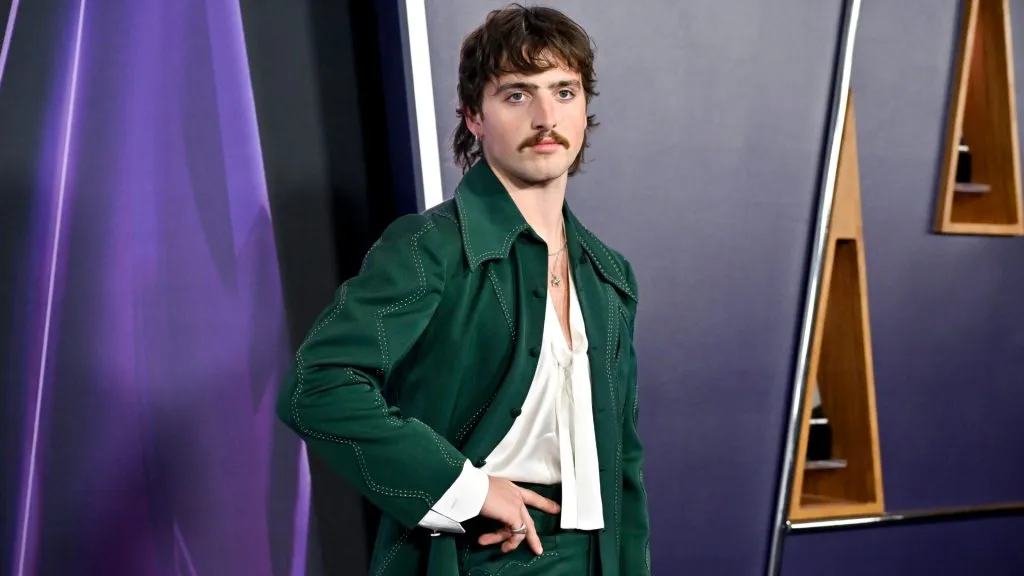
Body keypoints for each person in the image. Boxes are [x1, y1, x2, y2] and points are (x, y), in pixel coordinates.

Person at [276, 4, 650, 575]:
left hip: (593, 557)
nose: (547, 116)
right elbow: (317, 386)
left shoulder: (608, 274)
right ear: (474, 116)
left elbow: (624, 464)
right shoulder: (429, 247)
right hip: (469, 557)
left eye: (565, 91)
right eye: (518, 95)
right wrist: (466, 489)